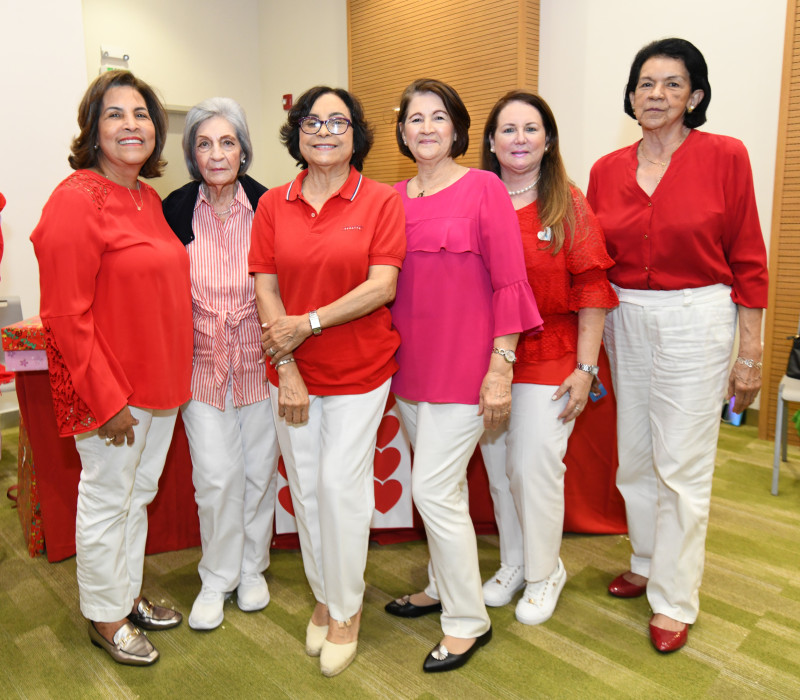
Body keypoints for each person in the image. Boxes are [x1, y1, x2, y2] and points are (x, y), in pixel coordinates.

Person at [587, 38, 768, 653]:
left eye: (671, 84)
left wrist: (751, 352)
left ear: (694, 95)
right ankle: (644, 558)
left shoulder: (725, 156)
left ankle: (674, 598)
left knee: (683, 466)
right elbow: (592, 258)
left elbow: (748, 257)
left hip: (698, 317)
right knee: (634, 457)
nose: (656, 95)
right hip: (625, 318)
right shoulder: (607, 168)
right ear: (631, 95)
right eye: (645, 84)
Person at [30, 70, 192, 666]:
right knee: (107, 498)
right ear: (93, 129)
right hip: (114, 394)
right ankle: (105, 615)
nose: (132, 125)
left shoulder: (145, 198)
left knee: (137, 495)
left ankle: (123, 593)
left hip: (163, 386)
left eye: (143, 114)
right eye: (116, 114)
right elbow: (64, 314)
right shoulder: (75, 199)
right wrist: (106, 397)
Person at [384, 78, 541, 673]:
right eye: (415, 118)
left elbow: (509, 281)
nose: (426, 127)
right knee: (440, 492)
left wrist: (501, 367)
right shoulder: (391, 198)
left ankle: (467, 621)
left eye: (438, 117)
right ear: (402, 132)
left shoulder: (484, 189)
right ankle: (439, 586)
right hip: (410, 371)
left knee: (430, 491)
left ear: (457, 129)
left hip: (467, 368)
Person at [249, 86, 405, 677]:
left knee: (342, 490)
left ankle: (347, 610)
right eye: (312, 121)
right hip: (289, 375)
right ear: (297, 132)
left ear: (356, 133)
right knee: (309, 492)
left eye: (338, 121)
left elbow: (381, 286)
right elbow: (265, 287)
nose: (325, 131)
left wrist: (308, 324)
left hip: (360, 372)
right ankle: (325, 593)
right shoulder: (273, 204)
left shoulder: (380, 200)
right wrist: (286, 364)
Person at [478, 91, 618, 624]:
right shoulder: (477, 198)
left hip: (550, 351)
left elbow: (592, 288)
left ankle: (544, 571)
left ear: (548, 139)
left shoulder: (567, 202)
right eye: (507, 129)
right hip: (489, 357)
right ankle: (514, 560)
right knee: (497, 467)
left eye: (530, 129)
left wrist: (586, 370)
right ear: (491, 141)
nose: (519, 139)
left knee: (531, 463)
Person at [162, 98, 279, 631]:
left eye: (227, 142)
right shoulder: (174, 209)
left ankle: (252, 569)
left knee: (257, 475)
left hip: (262, 365)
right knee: (215, 478)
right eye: (204, 144)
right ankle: (217, 577)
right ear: (191, 153)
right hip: (200, 368)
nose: (216, 153)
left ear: (243, 149)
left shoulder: (272, 206)